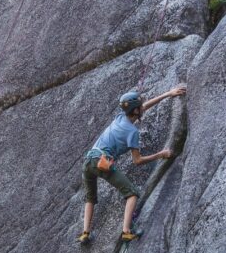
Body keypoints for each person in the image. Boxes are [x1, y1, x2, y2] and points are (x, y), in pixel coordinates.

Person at [77, 85, 187, 243]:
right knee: (132, 193)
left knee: (90, 197)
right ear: (135, 111)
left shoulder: (120, 117)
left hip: (89, 161)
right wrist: (161, 154)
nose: (142, 107)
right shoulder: (132, 132)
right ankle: (126, 231)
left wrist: (168, 94)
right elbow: (137, 161)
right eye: (139, 106)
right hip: (101, 162)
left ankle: (85, 233)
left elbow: (144, 107)